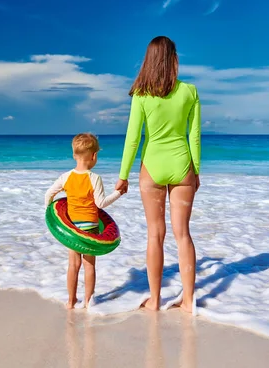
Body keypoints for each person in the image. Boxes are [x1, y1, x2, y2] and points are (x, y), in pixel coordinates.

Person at [115, 36, 201, 314]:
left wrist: (123, 175)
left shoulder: (141, 96)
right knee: (183, 235)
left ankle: (154, 300)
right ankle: (188, 300)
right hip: (182, 166)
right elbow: (194, 136)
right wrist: (196, 171)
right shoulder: (190, 91)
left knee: (155, 234)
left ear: (148, 61)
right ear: (174, 59)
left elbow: (132, 138)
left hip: (151, 168)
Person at [45, 133, 123, 309]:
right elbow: (100, 203)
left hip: (72, 227)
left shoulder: (65, 177)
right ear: (94, 156)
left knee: (73, 264)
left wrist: (51, 214)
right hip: (90, 227)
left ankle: (71, 300)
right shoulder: (94, 178)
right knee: (89, 265)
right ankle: (88, 301)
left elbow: (49, 194)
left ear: (74, 155)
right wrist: (118, 193)